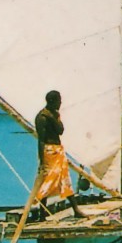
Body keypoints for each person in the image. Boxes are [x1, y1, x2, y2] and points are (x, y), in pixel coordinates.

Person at [34, 90, 84, 218]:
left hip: (58, 150)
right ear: (52, 101)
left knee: (65, 180)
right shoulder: (42, 117)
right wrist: (42, 160)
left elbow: (60, 130)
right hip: (49, 152)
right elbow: (41, 140)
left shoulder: (53, 115)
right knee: (48, 181)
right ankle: (41, 213)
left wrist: (54, 117)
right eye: (59, 100)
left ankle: (76, 210)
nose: (61, 103)